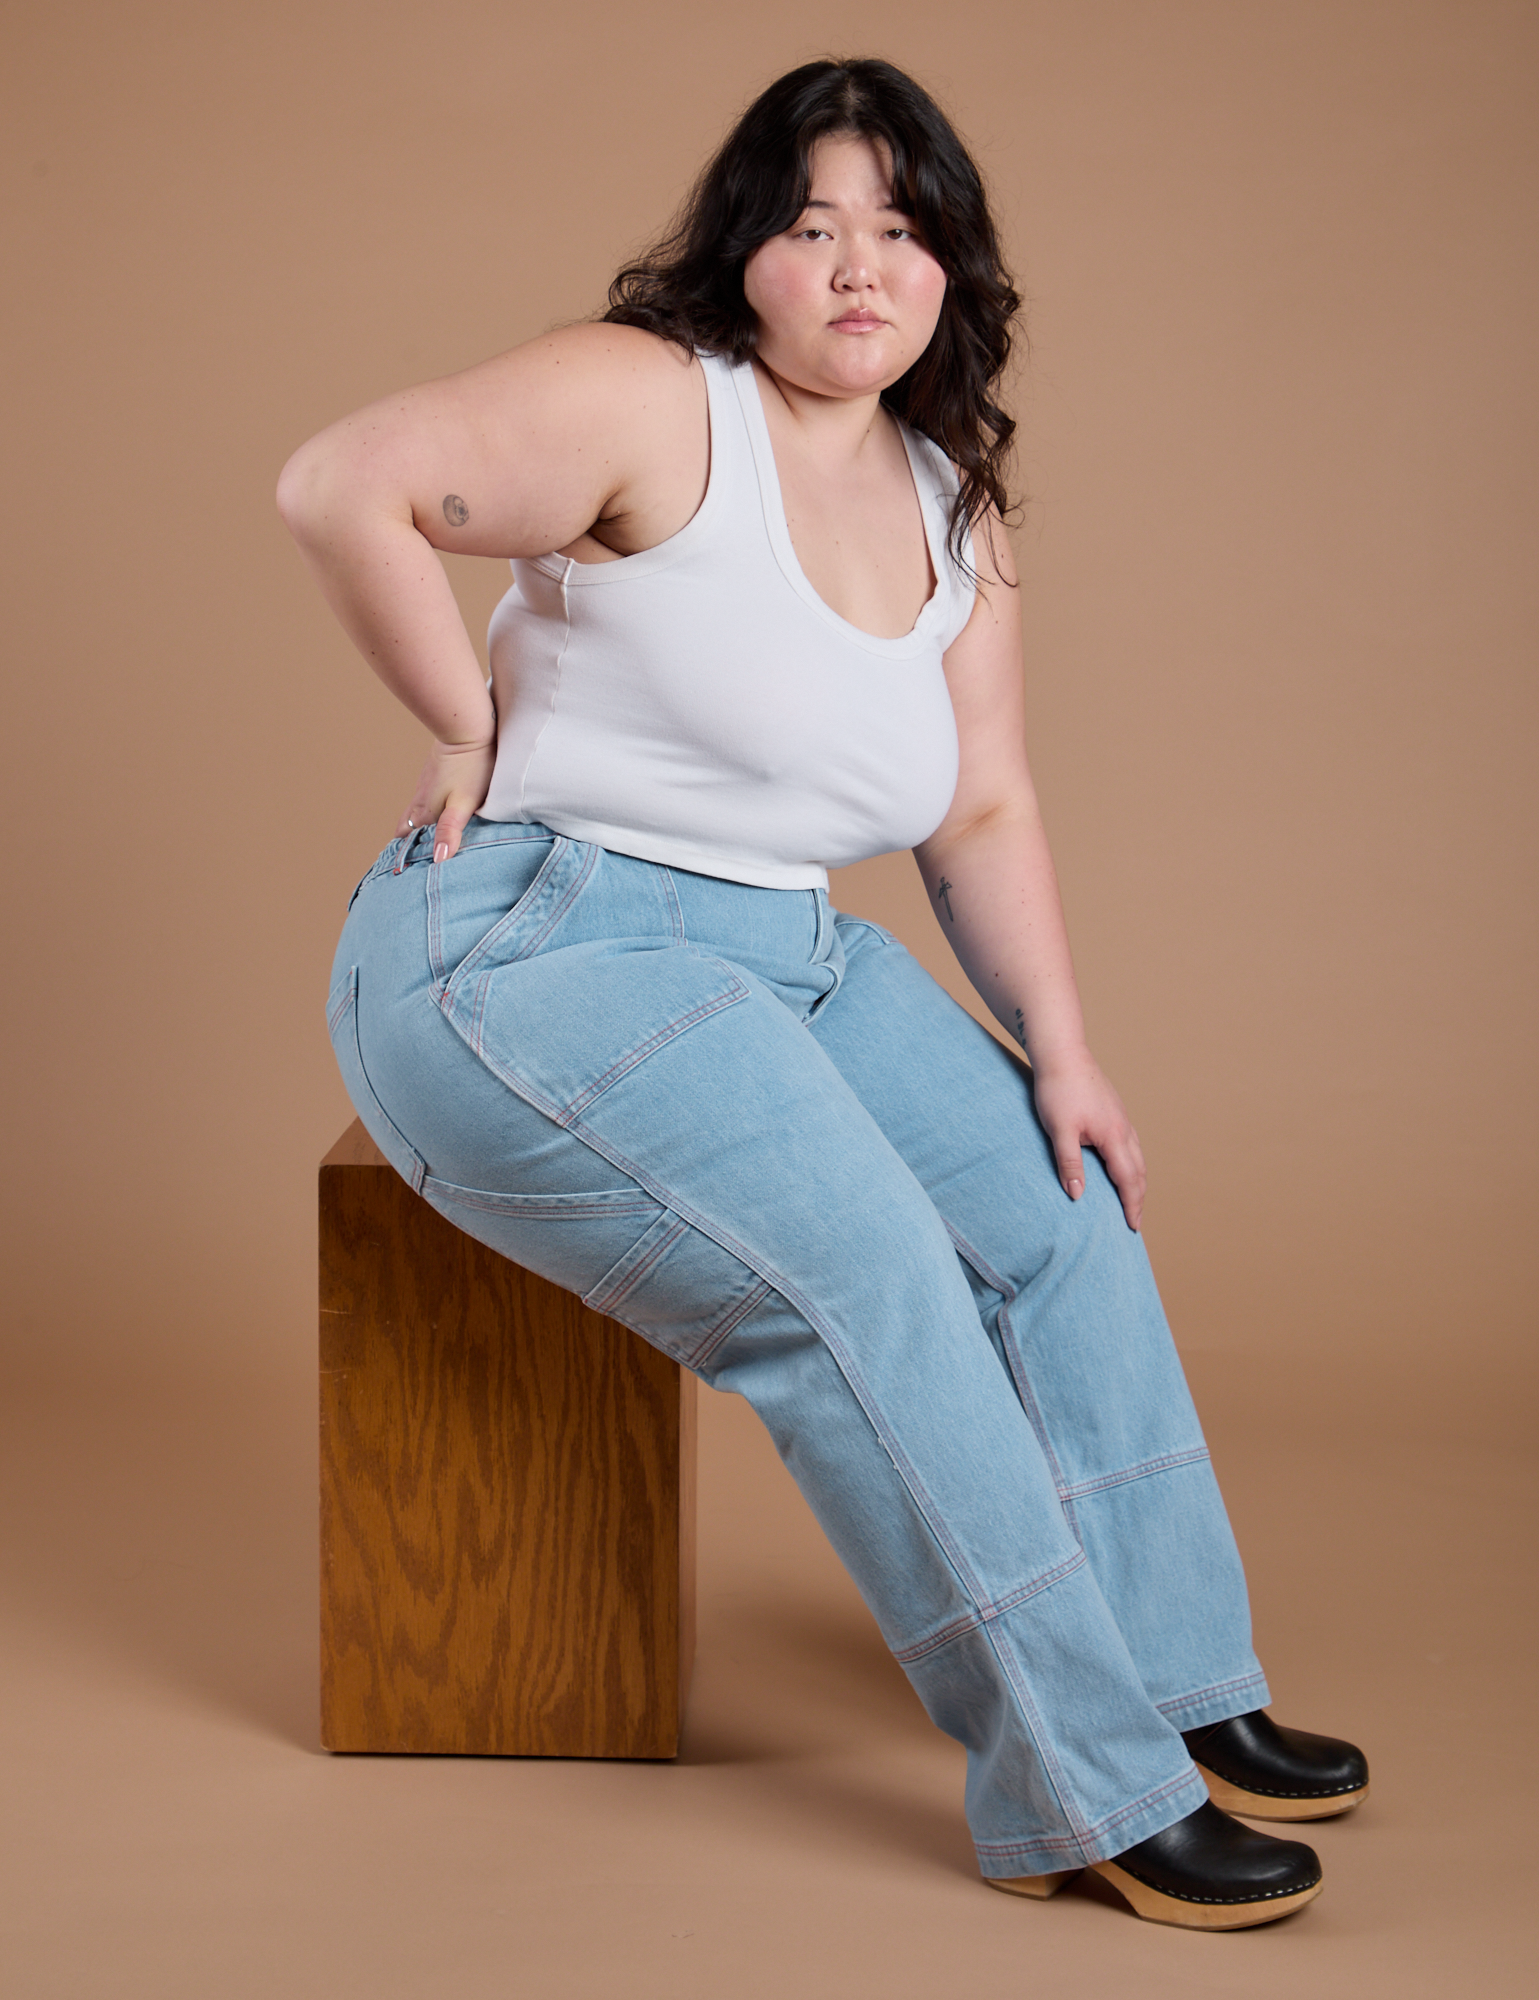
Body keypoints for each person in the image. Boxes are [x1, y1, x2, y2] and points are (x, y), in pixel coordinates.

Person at [278, 57, 1366, 1930]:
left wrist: (1069, 1053)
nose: (860, 266)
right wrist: (465, 722)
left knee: (1064, 1212)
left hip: (785, 948)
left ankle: (1185, 1684)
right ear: (744, 257)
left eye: (901, 225)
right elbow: (339, 483)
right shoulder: (652, 395)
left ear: (951, 264)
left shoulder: (954, 502)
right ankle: (1088, 1792)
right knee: (865, 1279)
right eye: (809, 225)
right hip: (534, 945)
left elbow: (989, 800)